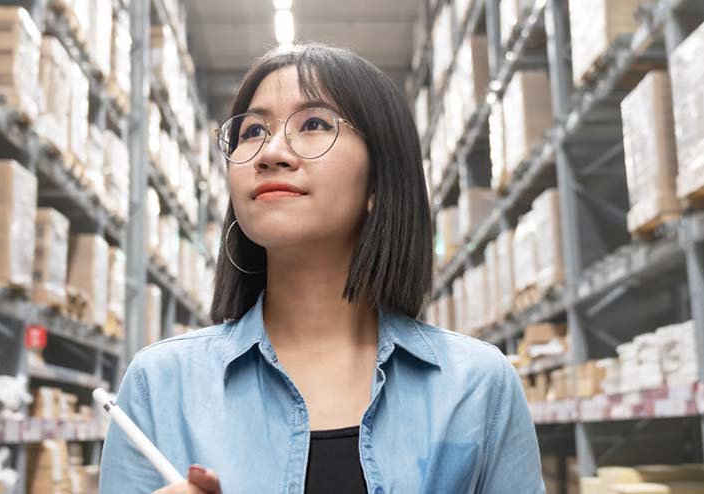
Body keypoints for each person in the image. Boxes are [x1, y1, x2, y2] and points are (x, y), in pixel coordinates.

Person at [98, 42, 544, 494]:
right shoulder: (160, 386)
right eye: (251, 131)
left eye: (313, 124)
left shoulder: (478, 387)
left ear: (378, 181)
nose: (270, 152)